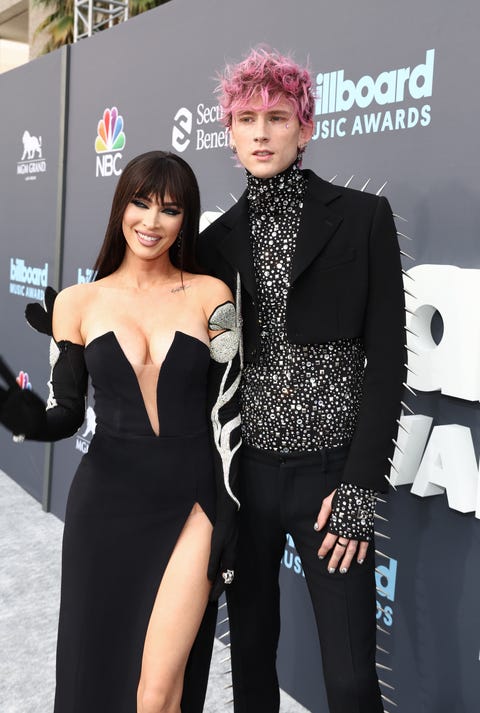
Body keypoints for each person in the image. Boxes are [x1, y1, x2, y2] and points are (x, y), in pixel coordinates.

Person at [198, 48, 406, 713]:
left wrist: (359, 489)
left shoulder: (363, 218)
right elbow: (207, 372)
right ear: (229, 133)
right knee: (251, 667)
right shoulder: (213, 242)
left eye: (277, 116)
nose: (261, 132)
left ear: (305, 128)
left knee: (350, 681)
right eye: (246, 118)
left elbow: (390, 361)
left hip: (331, 480)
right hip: (247, 479)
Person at [0, 151, 241, 713]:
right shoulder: (78, 304)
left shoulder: (213, 297)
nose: (152, 222)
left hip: (194, 503)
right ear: (120, 207)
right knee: (100, 678)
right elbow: (63, 412)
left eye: (170, 209)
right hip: (105, 506)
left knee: (158, 693)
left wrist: (231, 505)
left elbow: (230, 407)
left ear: (186, 220)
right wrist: (19, 414)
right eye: (140, 203)